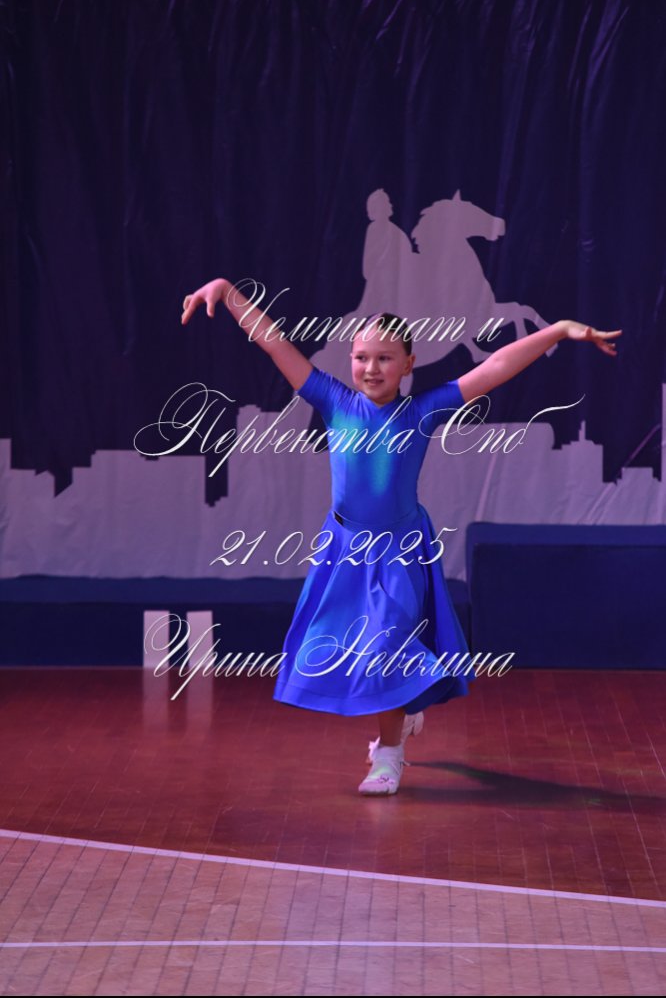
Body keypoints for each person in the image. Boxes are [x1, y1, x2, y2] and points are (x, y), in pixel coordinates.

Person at [181, 278, 622, 796]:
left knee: (386, 642)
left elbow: (496, 367)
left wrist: (558, 330)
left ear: (408, 364)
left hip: (398, 550)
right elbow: (274, 342)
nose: (371, 369)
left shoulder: (421, 411)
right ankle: (404, 712)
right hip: (345, 550)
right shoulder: (333, 400)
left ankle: (388, 754)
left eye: (385, 359)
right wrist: (227, 291)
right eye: (362, 358)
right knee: (349, 645)